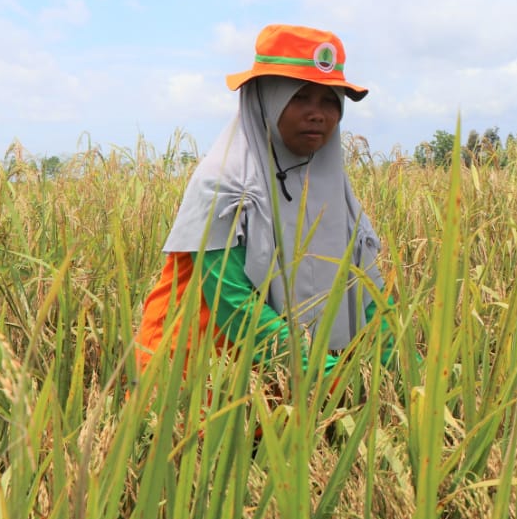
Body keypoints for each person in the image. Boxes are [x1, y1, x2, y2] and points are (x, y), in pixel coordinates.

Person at [135, 24, 390, 377]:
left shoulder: (332, 189)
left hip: (279, 377)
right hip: (195, 374)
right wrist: (328, 375)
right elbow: (233, 302)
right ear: (265, 101)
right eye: (300, 97)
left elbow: (369, 291)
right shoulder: (224, 185)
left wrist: (410, 369)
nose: (317, 113)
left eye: (330, 100)